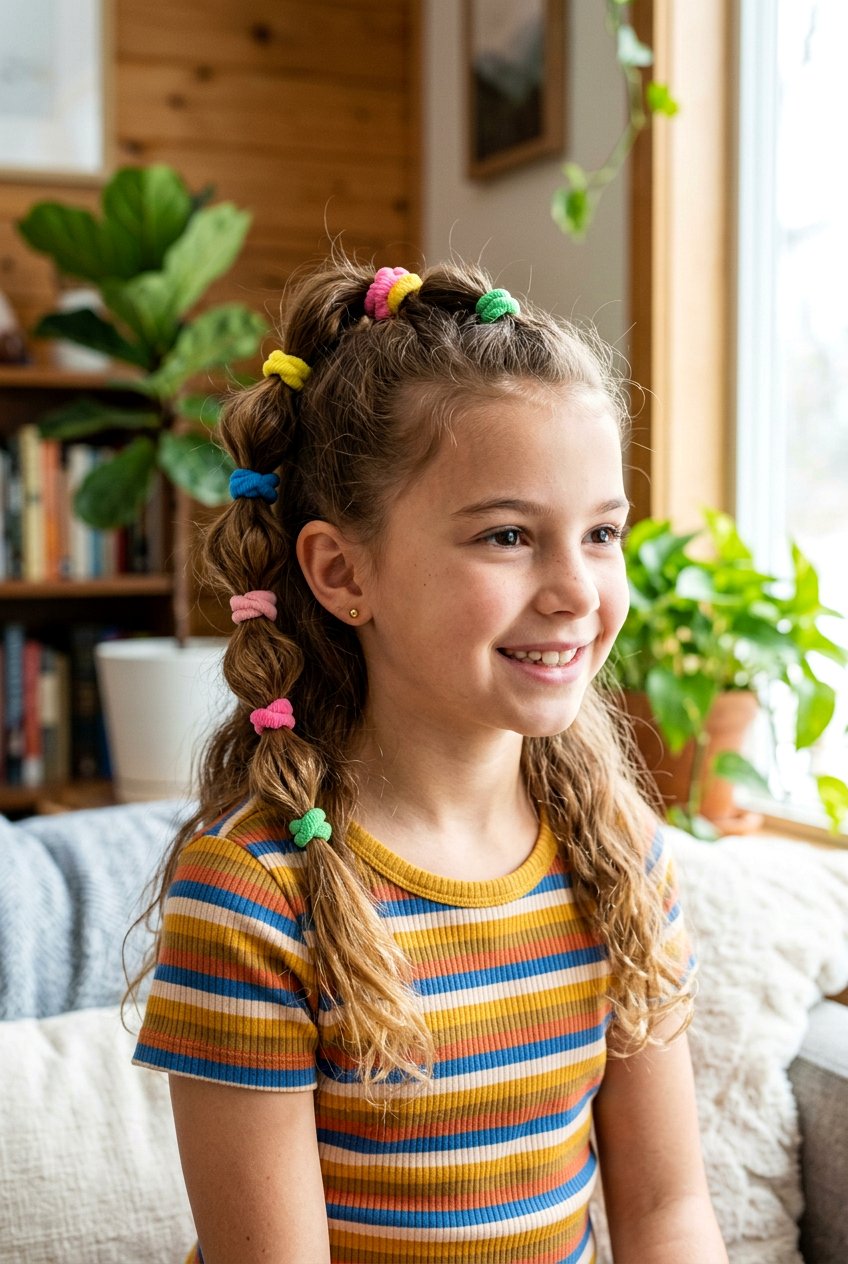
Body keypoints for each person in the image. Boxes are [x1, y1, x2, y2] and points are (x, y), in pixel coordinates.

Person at [130, 257, 727, 1264]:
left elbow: (667, 1210)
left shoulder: (617, 850)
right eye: (506, 535)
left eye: (600, 534)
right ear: (341, 571)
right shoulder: (253, 895)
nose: (577, 590)